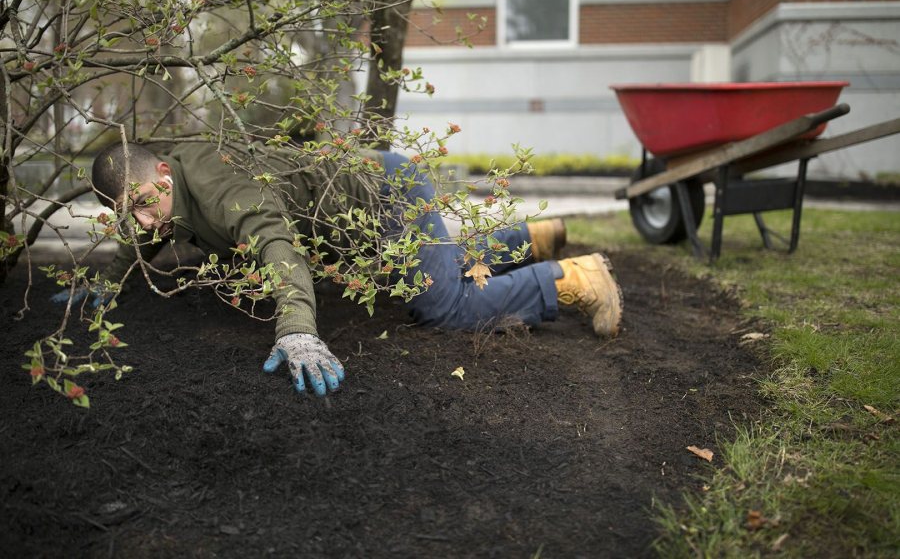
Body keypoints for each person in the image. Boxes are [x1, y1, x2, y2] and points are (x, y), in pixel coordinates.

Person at [55, 142, 622, 397]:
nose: (141, 221)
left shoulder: (216, 186)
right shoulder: (165, 193)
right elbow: (141, 239)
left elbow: (278, 247)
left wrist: (297, 327)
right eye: (125, 212)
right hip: (365, 204)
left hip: (384, 196)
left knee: (442, 306)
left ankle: (571, 279)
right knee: (429, 271)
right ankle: (529, 238)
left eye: (139, 204)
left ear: (160, 173)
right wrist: (104, 287)